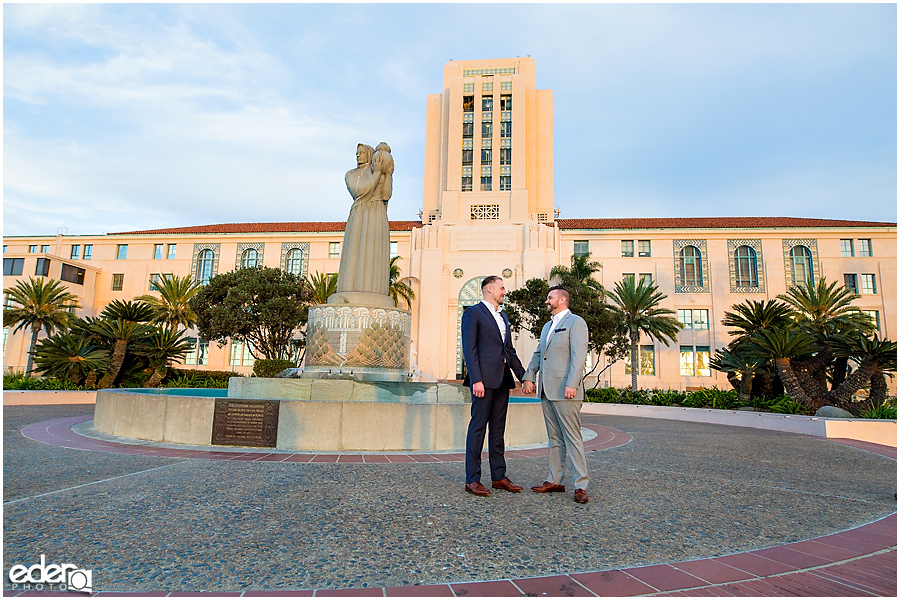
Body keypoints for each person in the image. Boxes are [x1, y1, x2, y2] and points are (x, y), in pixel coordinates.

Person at [522, 286, 590, 504]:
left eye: (550, 298)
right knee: (554, 438)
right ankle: (555, 480)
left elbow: (579, 357)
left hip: (566, 391)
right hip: (546, 390)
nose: (546, 301)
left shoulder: (575, 322)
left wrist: (572, 383)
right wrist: (529, 375)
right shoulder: (546, 327)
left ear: (562, 300)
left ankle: (580, 485)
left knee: (573, 438)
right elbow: (539, 353)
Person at [461, 275, 526, 497]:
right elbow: (470, 349)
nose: (504, 292)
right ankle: (472, 479)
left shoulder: (503, 317)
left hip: (502, 381)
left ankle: (499, 476)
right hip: (483, 381)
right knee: (477, 429)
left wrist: (523, 376)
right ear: (489, 289)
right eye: (501, 288)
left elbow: (509, 350)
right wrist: (476, 379)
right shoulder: (473, 313)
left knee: (498, 431)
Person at [335, 143, 392, 298]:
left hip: (377, 213)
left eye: (361, 152)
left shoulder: (376, 171)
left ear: (369, 154)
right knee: (356, 250)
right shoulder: (351, 174)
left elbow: (386, 195)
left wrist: (388, 175)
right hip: (360, 211)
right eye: (357, 153)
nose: (358, 155)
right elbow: (361, 191)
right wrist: (378, 173)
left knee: (375, 251)